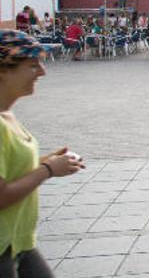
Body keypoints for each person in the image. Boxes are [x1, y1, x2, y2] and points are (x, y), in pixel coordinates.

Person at [0, 30, 85, 277]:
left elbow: (9, 171)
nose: (42, 72)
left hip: (20, 242)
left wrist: (47, 162)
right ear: (4, 71)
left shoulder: (8, 115)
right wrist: (47, 170)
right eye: (32, 65)